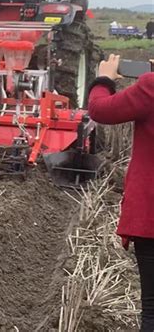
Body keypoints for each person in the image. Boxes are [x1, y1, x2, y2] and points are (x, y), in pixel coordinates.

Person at [88, 54, 154, 331]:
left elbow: (101, 110)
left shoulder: (151, 87)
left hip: (151, 217)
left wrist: (104, 78)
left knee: (152, 309)